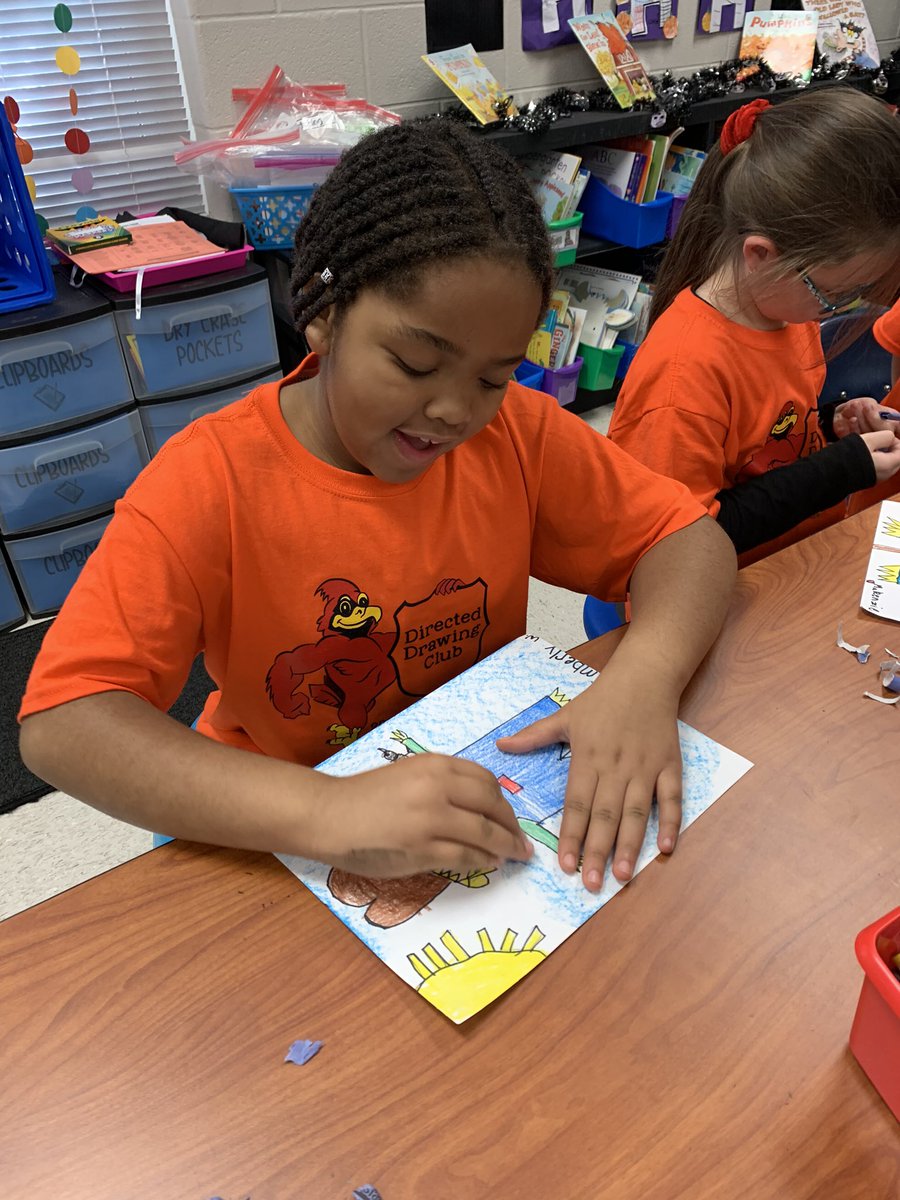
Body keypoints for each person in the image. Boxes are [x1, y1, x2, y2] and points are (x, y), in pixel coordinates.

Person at [19, 118, 736, 895]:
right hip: (277, 814)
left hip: (470, 789)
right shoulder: (210, 479)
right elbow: (64, 722)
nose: (456, 411)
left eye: (493, 378)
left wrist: (642, 679)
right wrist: (327, 812)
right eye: (415, 363)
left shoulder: (517, 436)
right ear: (321, 313)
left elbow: (688, 541)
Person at [608, 90, 900, 564]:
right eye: (835, 294)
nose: (837, 310)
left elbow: (762, 445)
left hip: (790, 559)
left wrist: (829, 427)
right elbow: (680, 542)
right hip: (714, 587)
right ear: (762, 256)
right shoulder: (683, 378)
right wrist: (840, 470)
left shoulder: (784, 313)